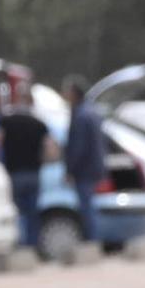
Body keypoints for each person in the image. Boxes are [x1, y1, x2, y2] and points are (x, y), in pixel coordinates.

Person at [0, 86, 58, 250]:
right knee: (33, 213)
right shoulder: (39, 123)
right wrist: (45, 161)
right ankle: (32, 246)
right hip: (34, 173)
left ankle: (18, 245)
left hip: (14, 173)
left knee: (16, 212)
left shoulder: (7, 121)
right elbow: (52, 149)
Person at [62, 75, 106, 242]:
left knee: (86, 208)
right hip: (93, 168)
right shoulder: (92, 112)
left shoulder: (80, 116)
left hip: (84, 170)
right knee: (90, 207)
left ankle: (92, 242)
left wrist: (69, 169)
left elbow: (77, 147)